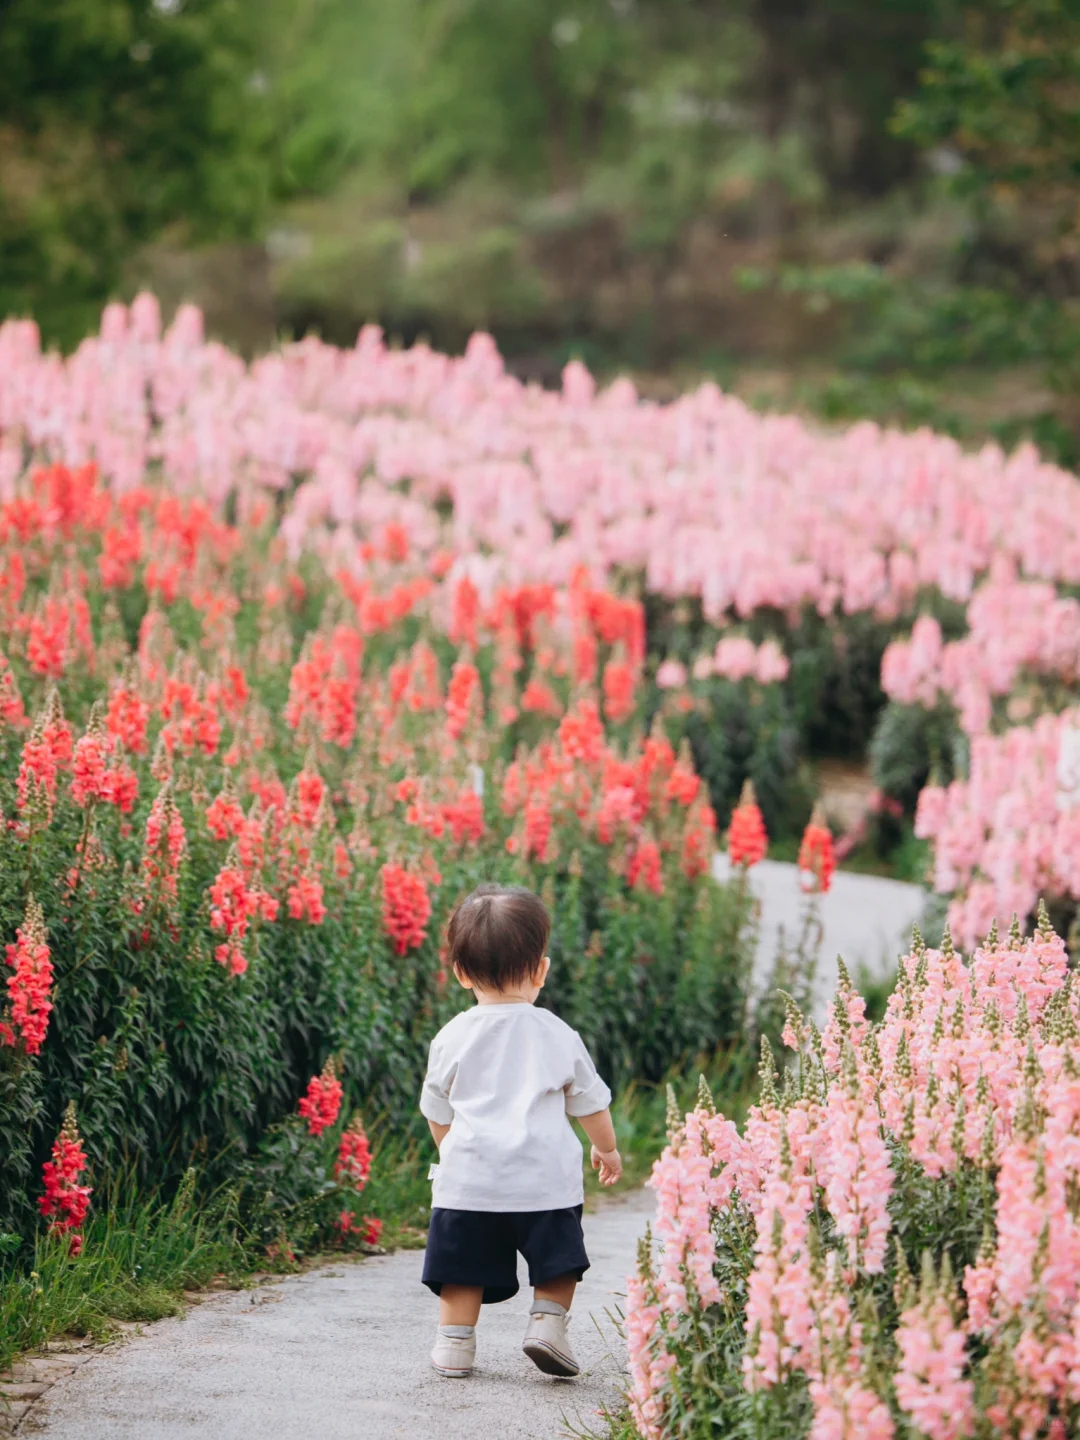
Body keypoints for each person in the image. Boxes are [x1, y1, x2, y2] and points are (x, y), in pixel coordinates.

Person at [419, 882, 623, 1379]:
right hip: (544, 1184)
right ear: (541, 970)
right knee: (558, 1261)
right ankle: (547, 1326)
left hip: (469, 1185)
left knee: (460, 1268)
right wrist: (607, 1149)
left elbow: (435, 1107)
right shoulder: (555, 1032)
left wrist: (453, 1152)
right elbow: (590, 1103)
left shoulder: (452, 1036)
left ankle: (454, 1344)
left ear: (461, 972)